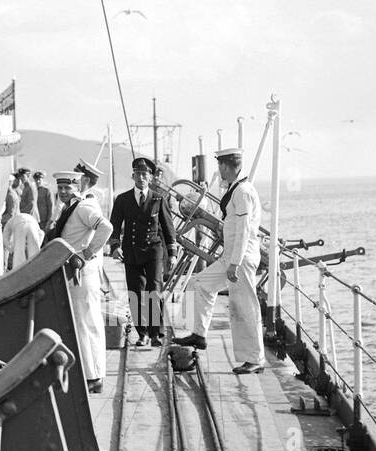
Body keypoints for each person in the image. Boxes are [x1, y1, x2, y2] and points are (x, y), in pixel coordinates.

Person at [173, 148, 265, 373]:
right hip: (231, 257)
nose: (219, 170)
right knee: (198, 283)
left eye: (220, 166)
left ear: (225, 166)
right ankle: (199, 334)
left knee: (243, 306)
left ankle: (255, 359)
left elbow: (243, 230)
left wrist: (235, 262)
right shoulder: (236, 190)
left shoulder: (243, 191)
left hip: (240, 259)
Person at [44, 171, 114, 394]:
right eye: (61, 188)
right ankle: (89, 372)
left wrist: (87, 253)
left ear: (77, 187)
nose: (63, 192)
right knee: (81, 323)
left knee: (87, 323)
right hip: (73, 274)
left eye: (68, 188)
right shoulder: (68, 208)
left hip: (82, 273)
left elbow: (107, 228)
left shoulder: (83, 207)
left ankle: (93, 376)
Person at [108, 156, 177, 347]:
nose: (141, 177)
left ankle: (156, 333)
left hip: (154, 250)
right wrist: (115, 247)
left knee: (154, 289)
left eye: (144, 174)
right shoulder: (122, 199)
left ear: (150, 177)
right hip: (131, 251)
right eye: (138, 174)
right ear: (133, 176)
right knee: (135, 293)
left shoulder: (158, 199)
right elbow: (114, 225)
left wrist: (172, 254)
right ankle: (143, 333)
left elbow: (168, 227)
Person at [2, 197, 45, 272]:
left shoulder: (8, 224)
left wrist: (11, 249)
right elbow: (41, 233)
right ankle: (36, 272)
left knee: (18, 255)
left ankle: (18, 273)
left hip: (20, 225)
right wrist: (38, 244)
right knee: (34, 254)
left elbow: (5, 237)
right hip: (32, 224)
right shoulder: (13, 221)